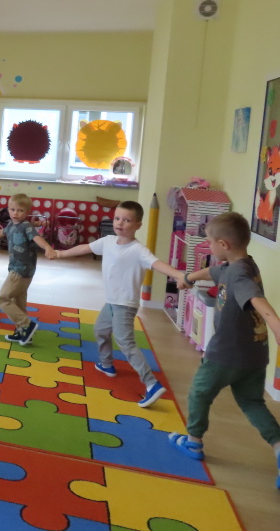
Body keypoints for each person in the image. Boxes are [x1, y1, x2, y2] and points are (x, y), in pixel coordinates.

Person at [170, 212, 280, 488]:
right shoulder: (242, 264)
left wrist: (277, 325)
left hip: (226, 354)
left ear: (224, 244)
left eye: (210, 242)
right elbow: (213, 272)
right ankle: (279, 445)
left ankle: (193, 441)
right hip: (255, 355)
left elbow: (256, 299)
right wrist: (189, 277)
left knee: (199, 393)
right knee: (252, 402)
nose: (209, 247)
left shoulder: (239, 275)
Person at [51, 201, 185, 407]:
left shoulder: (138, 250)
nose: (120, 223)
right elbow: (85, 248)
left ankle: (151, 383)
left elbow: (157, 264)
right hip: (111, 301)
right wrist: (60, 253)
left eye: (127, 220)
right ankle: (106, 364)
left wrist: (178, 275)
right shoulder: (108, 241)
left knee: (126, 343)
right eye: (117, 218)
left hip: (125, 305)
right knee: (100, 330)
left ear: (138, 225)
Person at [0, 193, 55, 345]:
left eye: (20, 210)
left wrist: (48, 247)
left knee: (3, 299)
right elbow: (2, 232)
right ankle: (22, 332)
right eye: (12, 209)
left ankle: (27, 325)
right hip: (17, 269)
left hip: (21, 270)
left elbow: (37, 238)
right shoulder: (11, 225)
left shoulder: (26, 226)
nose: (15, 213)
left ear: (27, 212)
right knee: (18, 302)